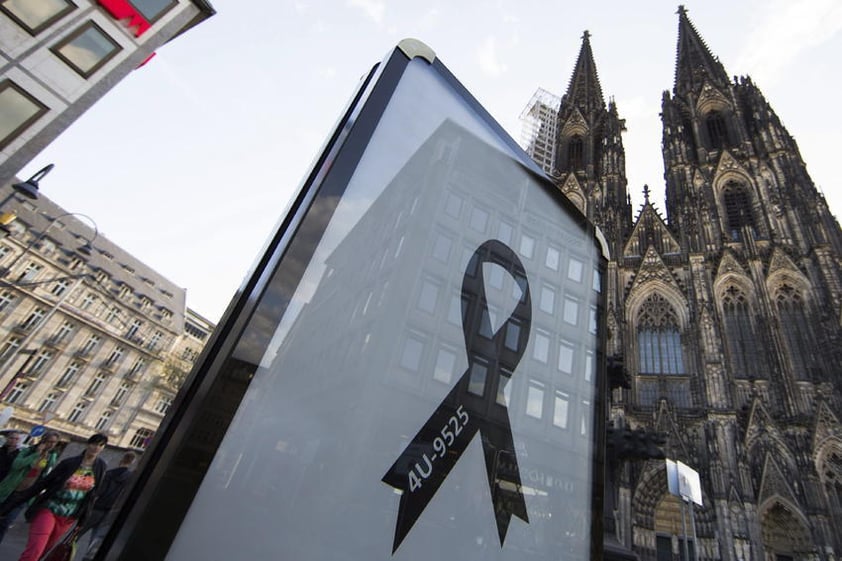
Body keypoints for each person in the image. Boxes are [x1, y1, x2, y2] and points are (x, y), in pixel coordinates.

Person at [0, 433, 108, 561]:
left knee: (43, 551)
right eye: (94, 443)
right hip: (50, 509)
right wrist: (11, 504)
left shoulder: (101, 467)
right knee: (35, 551)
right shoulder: (69, 463)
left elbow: (93, 494)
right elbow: (43, 483)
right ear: (88, 444)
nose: (96, 447)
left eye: (101, 445)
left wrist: (83, 520)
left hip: (68, 516)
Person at [0, 430, 60, 543]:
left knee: (5, 523)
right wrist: (36, 454)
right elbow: (17, 465)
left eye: (54, 443)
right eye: (49, 441)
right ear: (43, 441)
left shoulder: (51, 457)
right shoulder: (28, 451)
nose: (51, 445)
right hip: (9, 489)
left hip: (24, 495)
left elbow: (45, 475)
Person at [77, 451, 136, 560]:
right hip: (110, 512)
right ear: (132, 462)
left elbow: (98, 491)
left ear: (121, 460)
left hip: (96, 508)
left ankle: (66, 554)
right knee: (96, 541)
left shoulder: (109, 474)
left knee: (76, 535)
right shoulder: (130, 478)